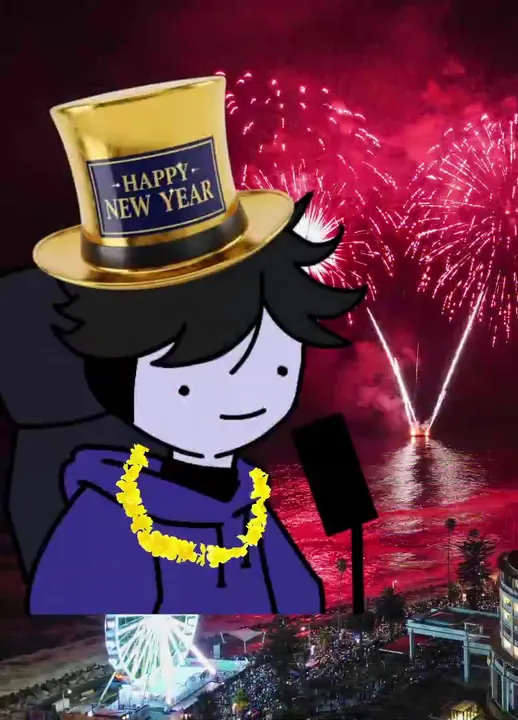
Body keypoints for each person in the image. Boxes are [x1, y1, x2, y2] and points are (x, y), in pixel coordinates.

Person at [20, 77, 364, 614]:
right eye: (187, 384)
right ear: (113, 374)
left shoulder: (250, 510)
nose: (247, 396)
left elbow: (299, 596)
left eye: (279, 369)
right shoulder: (105, 521)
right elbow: (77, 605)